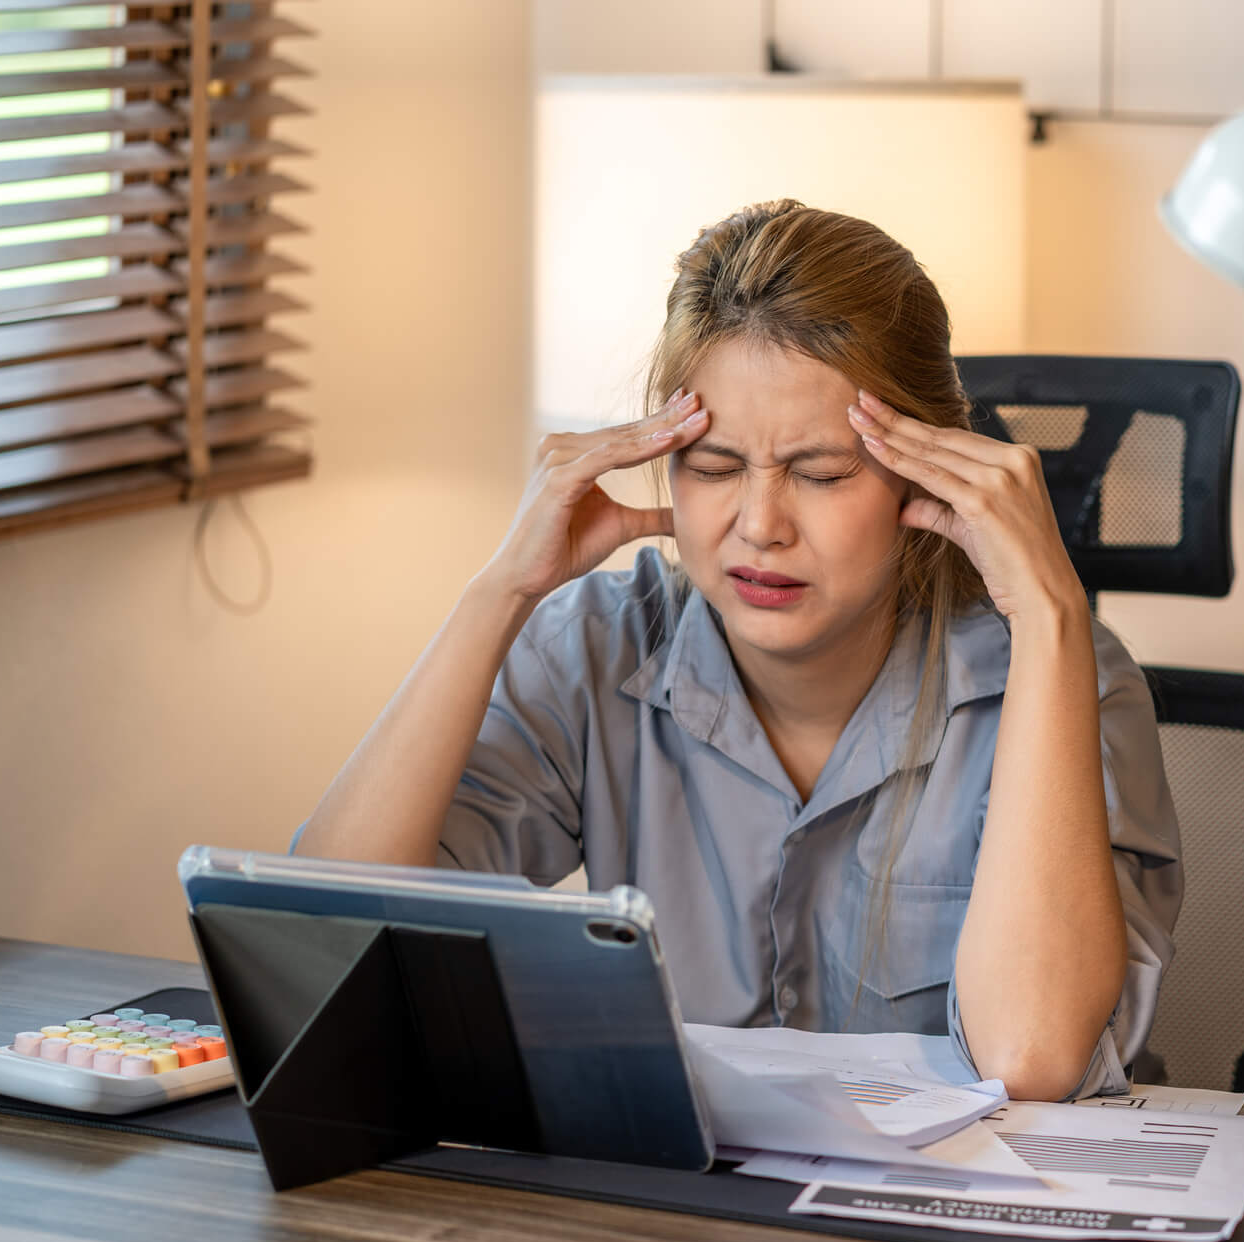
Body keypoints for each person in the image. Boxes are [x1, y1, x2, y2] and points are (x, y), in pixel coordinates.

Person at [294, 200, 1180, 1102]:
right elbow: (317, 948)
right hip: (686, 1218)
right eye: (713, 468)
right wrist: (497, 595)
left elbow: (1030, 1064)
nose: (759, 527)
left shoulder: (1061, 675)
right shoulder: (600, 644)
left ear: (927, 468)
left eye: (822, 473)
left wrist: (1049, 612)